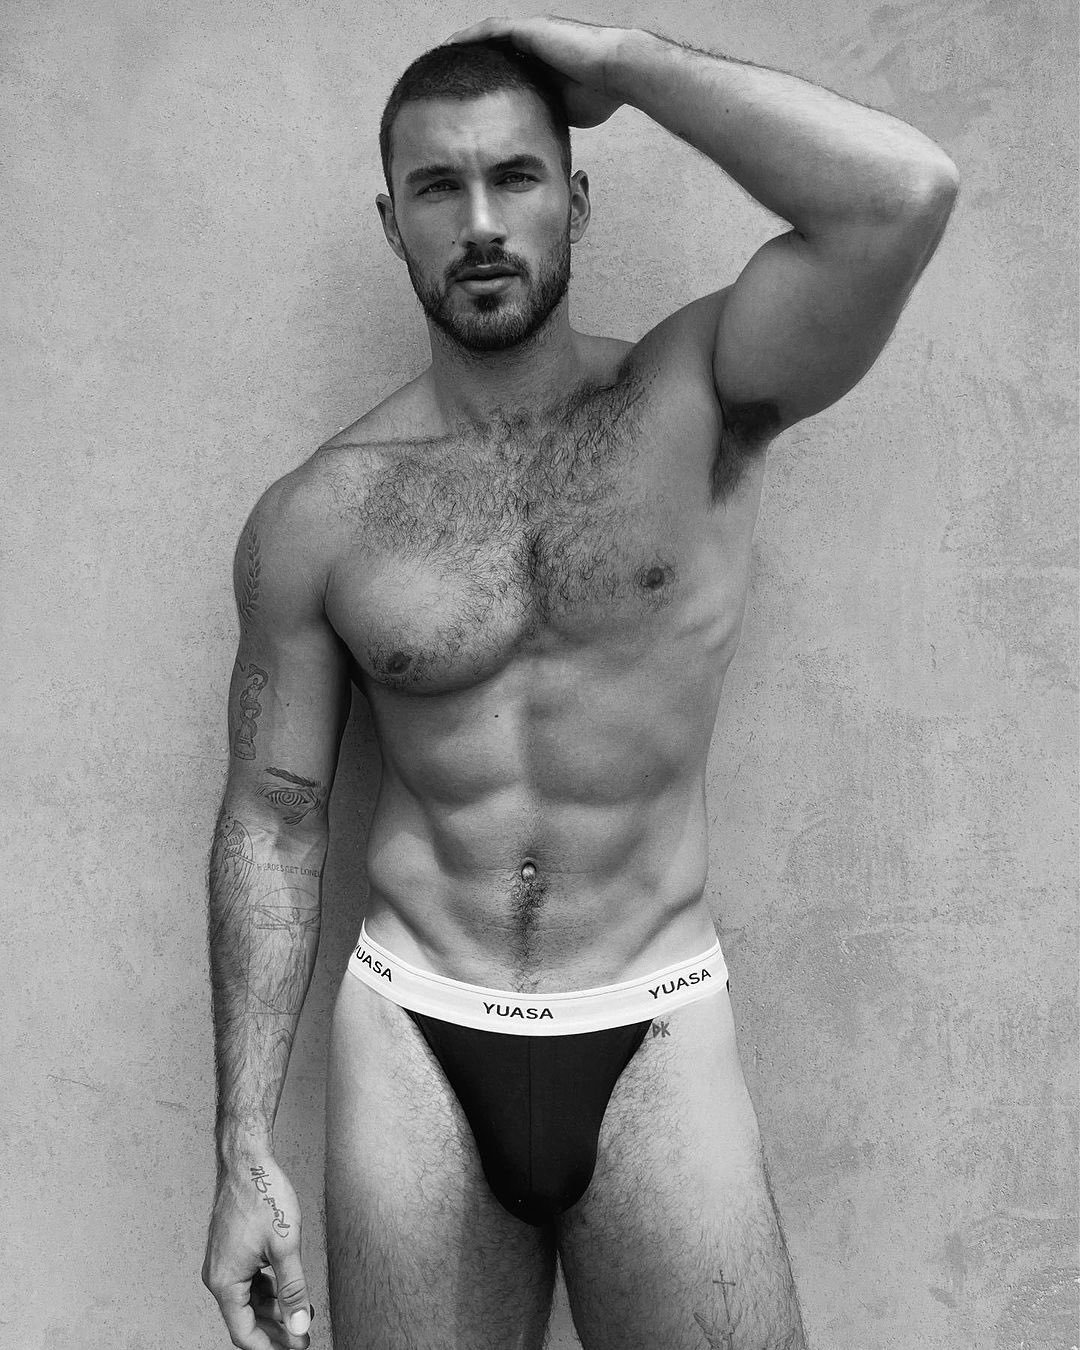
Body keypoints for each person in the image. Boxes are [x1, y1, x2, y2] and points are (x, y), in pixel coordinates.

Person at [201, 15, 958, 1349]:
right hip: (417, 1027)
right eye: (439, 188)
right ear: (392, 223)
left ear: (578, 196)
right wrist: (242, 1145)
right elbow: (273, 818)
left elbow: (901, 197)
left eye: (517, 176)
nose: (482, 223)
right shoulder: (318, 515)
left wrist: (620, 64)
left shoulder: (696, 397)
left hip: (654, 1019)